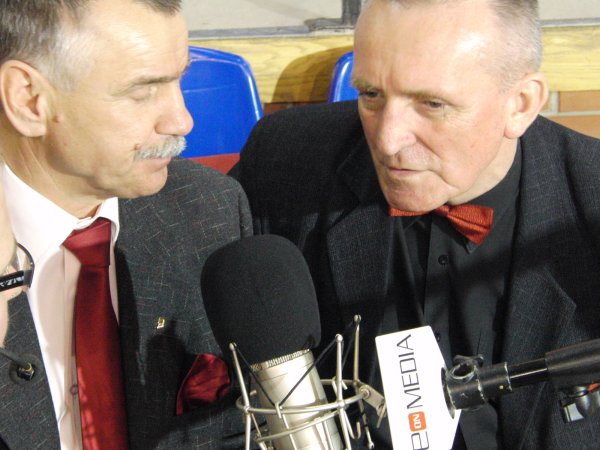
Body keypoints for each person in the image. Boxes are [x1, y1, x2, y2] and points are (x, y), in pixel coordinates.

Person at [233, 0, 600, 448]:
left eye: (432, 104)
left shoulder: (591, 197)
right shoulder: (288, 160)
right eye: (371, 95)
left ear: (520, 105)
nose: (387, 140)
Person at [0, 0, 251, 448]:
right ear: (29, 100)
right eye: (143, 92)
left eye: (179, 80)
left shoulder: (209, 211)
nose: (182, 121)